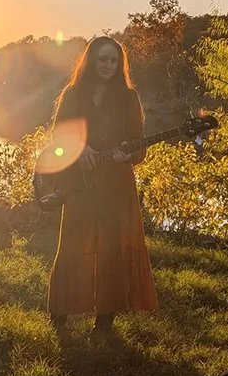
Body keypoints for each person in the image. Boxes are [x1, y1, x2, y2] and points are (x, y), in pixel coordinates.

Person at [46, 36, 158, 335]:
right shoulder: (73, 95)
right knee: (72, 241)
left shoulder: (128, 97)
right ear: (91, 61)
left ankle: (104, 320)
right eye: (103, 59)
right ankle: (60, 312)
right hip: (79, 182)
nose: (108, 66)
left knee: (111, 247)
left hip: (116, 183)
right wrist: (79, 148)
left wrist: (127, 153)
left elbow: (139, 148)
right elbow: (58, 137)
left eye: (114, 61)